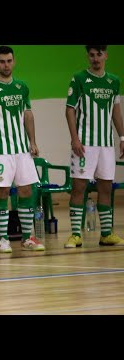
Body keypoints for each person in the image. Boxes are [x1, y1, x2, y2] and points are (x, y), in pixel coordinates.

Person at [0, 45, 45, 254]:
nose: (6, 65)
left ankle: (27, 238)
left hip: (22, 149)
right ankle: (4, 239)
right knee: (3, 192)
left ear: (14, 61)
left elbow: (28, 115)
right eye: (2, 61)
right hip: (1, 151)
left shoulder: (22, 87)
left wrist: (32, 141)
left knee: (26, 190)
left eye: (9, 61)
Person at [64, 45, 124, 248]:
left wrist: (122, 137)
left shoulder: (114, 81)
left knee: (106, 187)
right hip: (84, 144)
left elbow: (116, 110)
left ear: (106, 55)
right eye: (92, 55)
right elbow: (70, 110)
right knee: (79, 187)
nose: (95, 58)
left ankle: (106, 234)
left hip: (106, 145)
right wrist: (75, 139)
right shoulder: (79, 78)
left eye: (99, 54)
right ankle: (75, 235)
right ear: (88, 56)